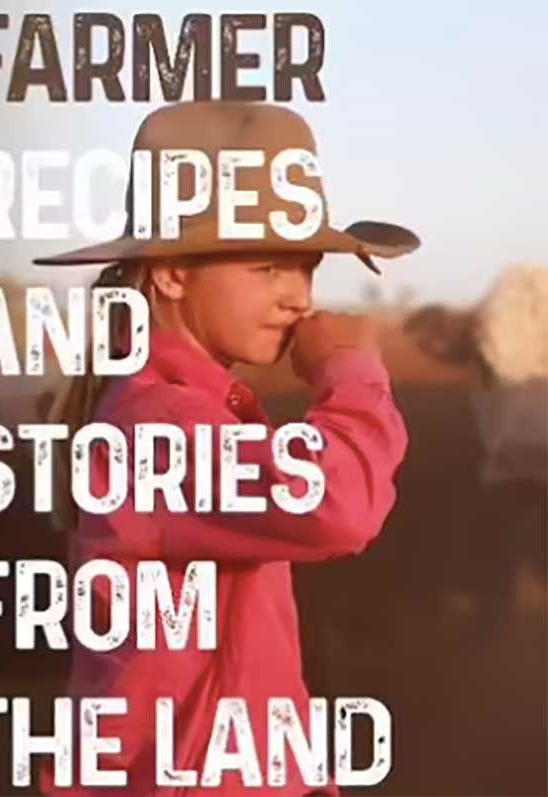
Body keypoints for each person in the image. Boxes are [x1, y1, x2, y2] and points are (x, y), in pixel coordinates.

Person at [37, 100, 418, 796]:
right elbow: (338, 505)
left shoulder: (179, 410)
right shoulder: (159, 425)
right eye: (269, 266)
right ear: (173, 273)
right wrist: (352, 375)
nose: (298, 296)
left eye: (306, 268)